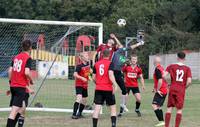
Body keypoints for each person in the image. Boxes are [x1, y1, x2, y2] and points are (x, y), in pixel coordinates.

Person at [111, 39, 144, 113]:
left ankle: (122, 105)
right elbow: (130, 47)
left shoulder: (121, 56)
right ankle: (106, 101)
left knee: (124, 90)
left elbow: (128, 62)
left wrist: (133, 63)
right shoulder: (118, 51)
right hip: (112, 72)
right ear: (118, 47)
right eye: (121, 46)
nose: (123, 47)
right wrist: (139, 44)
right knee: (111, 89)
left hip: (118, 73)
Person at [6, 40, 33, 127]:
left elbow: (10, 71)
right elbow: (27, 72)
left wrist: (11, 83)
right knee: (14, 112)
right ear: (30, 48)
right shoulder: (28, 58)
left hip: (14, 86)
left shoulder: (16, 57)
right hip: (20, 88)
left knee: (21, 108)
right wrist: (31, 80)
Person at [164, 52, 192, 127]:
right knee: (179, 109)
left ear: (177, 58)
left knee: (169, 108)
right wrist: (185, 87)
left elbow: (164, 75)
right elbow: (189, 81)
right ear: (184, 59)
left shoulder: (171, 66)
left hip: (172, 87)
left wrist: (168, 83)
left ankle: (166, 126)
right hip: (181, 89)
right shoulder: (187, 68)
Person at [92, 49, 118, 127]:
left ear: (102, 55)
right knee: (113, 108)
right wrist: (115, 84)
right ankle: (113, 125)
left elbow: (93, 77)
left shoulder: (96, 64)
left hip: (98, 89)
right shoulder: (110, 63)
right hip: (108, 89)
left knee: (97, 108)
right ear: (109, 55)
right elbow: (110, 74)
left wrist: (98, 83)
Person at [72, 52, 91, 119]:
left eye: (88, 55)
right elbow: (75, 74)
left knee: (84, 100)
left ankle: (79, 113)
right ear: (82, 58)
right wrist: (81, 78)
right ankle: (74, 114)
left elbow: (87, 73)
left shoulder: (88, 64)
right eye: (86, 55)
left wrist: (90, 76)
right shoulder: (79, 66)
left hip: (85, 85)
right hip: (79, 85)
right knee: (79, 98)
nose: (88, 56)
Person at [152, 55, 168, 127]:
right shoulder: (161, 68)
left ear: (156, 62)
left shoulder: (157, 69)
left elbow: (160, 81)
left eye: (154, 60)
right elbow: (164, 78)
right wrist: (154, 88)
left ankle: (161, 121)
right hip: (164, 90)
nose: (153, 61)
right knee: (158, 106)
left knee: (154, 105)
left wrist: (157, 90)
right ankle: (162, 121)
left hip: (161, 90)